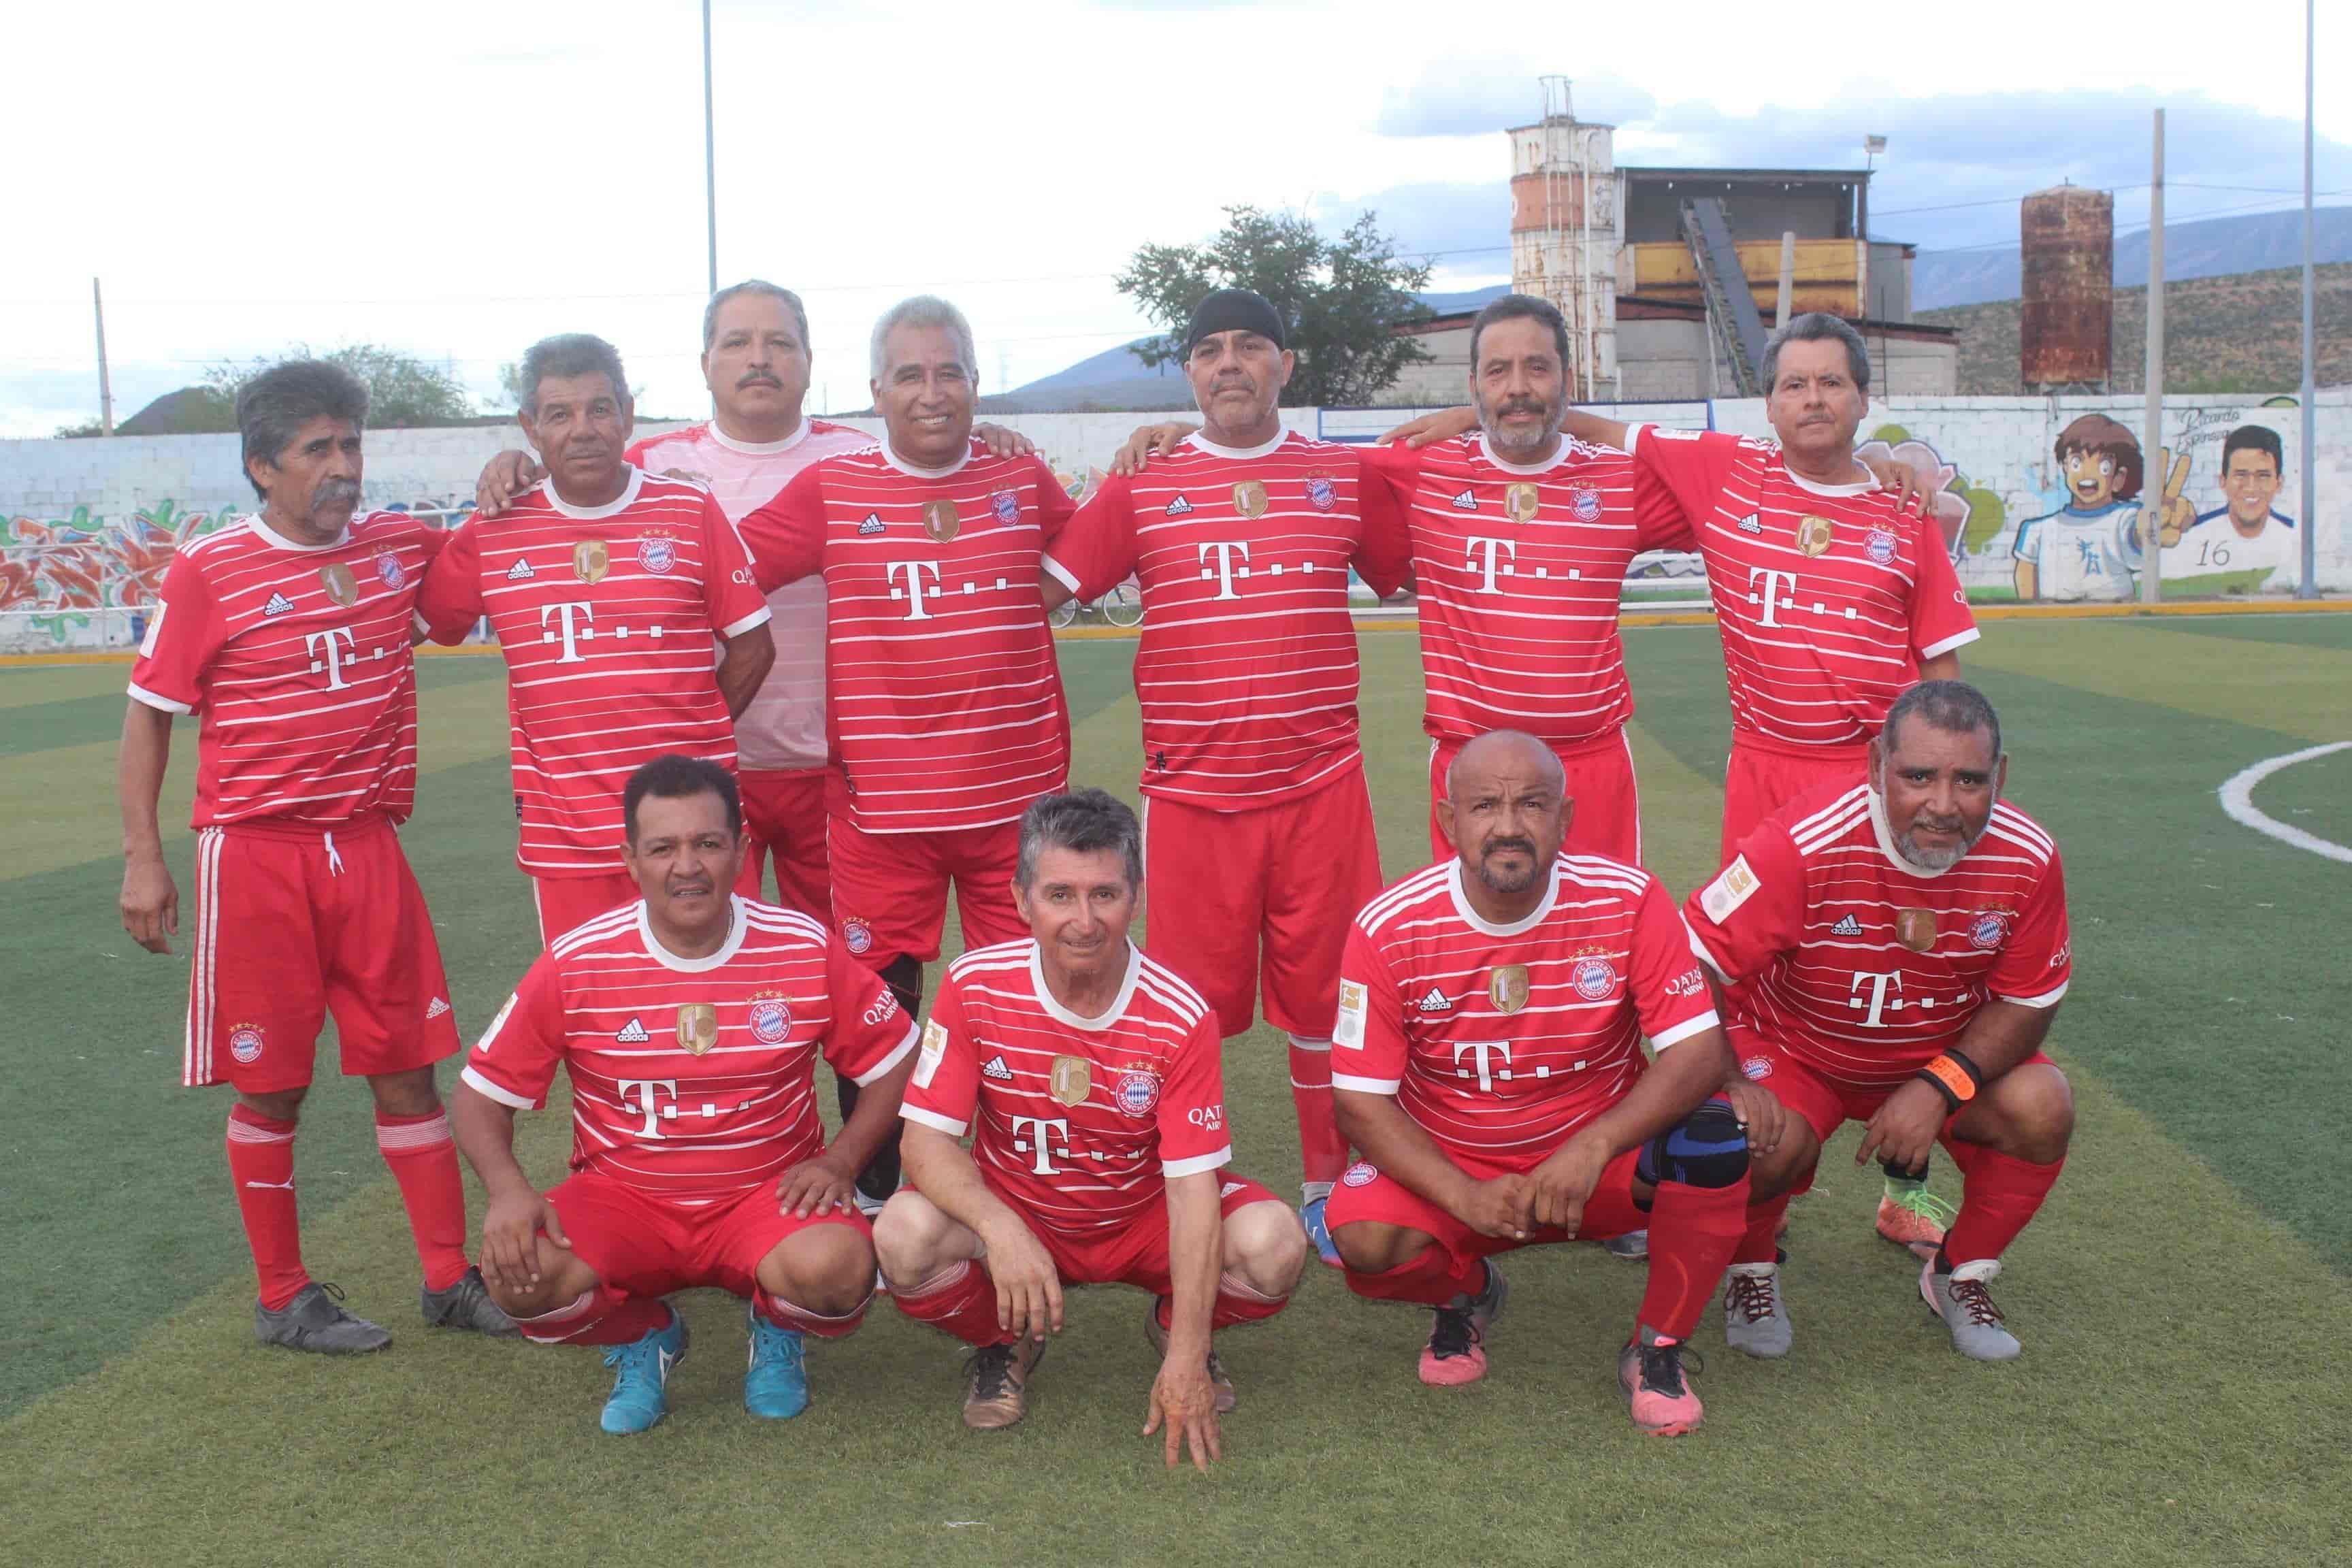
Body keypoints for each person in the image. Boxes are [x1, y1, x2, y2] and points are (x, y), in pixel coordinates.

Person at [1384, 311, 1977, 1257]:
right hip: (1762, 769)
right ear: (1769, 401)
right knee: (1740, 973)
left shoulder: (1902, 510)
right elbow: (1581, 423)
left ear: (1864, 398)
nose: (1813, 399)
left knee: (1900, 967)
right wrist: (1478, 412)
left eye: (1831, 383)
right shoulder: (1729, 474)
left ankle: (1910, 1185)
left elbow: (1948, 674)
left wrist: (1899, 465)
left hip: (1876, 784)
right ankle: (1723, 1207)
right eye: (1794, 384)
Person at [118, 359, 512, 1352]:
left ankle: (445, 1279)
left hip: (369, 848)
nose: (343, 468)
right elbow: (151, 714)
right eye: (317, 451)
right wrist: (144, 858)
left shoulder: (394, 546)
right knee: (273, 1082)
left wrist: (507, 471)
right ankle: (283, 1296)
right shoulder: (210, 571)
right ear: (262, 467)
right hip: (257, 855)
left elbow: (469, 578)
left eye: (351, 446)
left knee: (410, 1067)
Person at [1043, 288, 1409, 1262]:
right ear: (1191, 372)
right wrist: (999, 462)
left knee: (1334, 1006)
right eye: (1209, 350)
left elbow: (1418, 554)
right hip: (1194, 798)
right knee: (1183, 1015)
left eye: (1252, 346)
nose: (1230, 363)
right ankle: (1189, 1184)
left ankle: (1333, 1188)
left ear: (1285, 366)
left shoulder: (1340, 475)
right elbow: (1041, 580)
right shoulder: (1143, 483)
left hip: (1322, 787)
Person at [450, 755, 917, 1433]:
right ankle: (645, 1334)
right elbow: (477, 1096)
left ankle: (776, 1327)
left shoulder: (800, 945)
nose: (687, 866)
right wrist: (507, 1190)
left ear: (740, 849)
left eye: (707, 843)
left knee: (841, 1269)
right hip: (624, 1195)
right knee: (516, 1276)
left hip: (766, 1192)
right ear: (630, 861)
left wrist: (843, 1161)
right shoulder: (579, 960)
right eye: (662, 847)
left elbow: (897, 1056)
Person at [1327, 730, 1750, 1436]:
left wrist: (1593, 1147)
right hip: (1460, 1167)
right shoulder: (1388, 927)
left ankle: (1659, 1347)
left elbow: (1700, 1051)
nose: (1509, 826)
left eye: (1532, 804)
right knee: (1360, 1236)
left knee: (1714, 1141)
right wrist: (1462, 1194)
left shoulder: (1630, 899)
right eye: (1485, 805)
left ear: (1566, 817)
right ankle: (1467, 1294)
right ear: (1448, 819)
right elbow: (1358, 1102)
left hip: (1598, 1167)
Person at [876, 790, 1305, 1467]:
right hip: (1025, 1211)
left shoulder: (1179, 1012)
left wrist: (1189, 1357)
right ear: (1022, 900)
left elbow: (1194, 1188)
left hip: (1142, 1221)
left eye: (1104, 894)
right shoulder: (973, 986)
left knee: (1275, 1243)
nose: (1084, 921)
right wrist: (1002, 1229)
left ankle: (1174, 1329)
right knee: (901, 1235)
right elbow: (924, 1143)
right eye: (1060, 895)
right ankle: (1006, 1339)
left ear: (1134, 896)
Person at [1683, 681, 2074, 1362]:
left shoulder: (2028, 854)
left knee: (2043, 1106)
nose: (1943, 805)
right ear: (1874, 767)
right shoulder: (1800, 844)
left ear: (2000, 777)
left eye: (1969, 780)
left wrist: (1937, 1086)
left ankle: (1960, 1273)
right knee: (1750, 1134)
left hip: (1938, 1058)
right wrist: (1729, 1078)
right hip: (1797, 1052)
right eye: (1918, 776)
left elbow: (2030, 1000)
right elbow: (1694, 960)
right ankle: (1751, 1269)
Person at [735, 296, 1077, 1032]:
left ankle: (1020, 1151)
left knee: (1027, 1011)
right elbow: (720, 567)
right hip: (881, 817)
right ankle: (881, 1156)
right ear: (876, 392)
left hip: (1015, 809)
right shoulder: (833, 490)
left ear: (977, 385)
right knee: (879, 1019)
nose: (932, 392)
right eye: (910, 375)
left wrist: (1168, 439)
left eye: (949, 373)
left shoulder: (1020, 477)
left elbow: (1097, 550)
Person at [418, 333, 774, 947]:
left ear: (627, 415)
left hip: (694, 828)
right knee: (592, 1016)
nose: (582, 429)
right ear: (531, 428)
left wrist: (696, 734)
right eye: (559, 414)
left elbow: (753, 646)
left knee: (722, 1002)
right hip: (569, 840)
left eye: (599, 409)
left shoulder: (688, 511)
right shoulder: (497, 526)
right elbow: (431, 622)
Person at [2011, 414, 2193, 602]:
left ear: (2118, 478)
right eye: (2076, 462)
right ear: (2065, 466)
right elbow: (2026, 581)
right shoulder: (2038, 530)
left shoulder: (2126, 518)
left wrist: (2157, 524)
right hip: (2056, 621)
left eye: (2104, 466)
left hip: (2117, 618)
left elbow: (2137, 532)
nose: (2087, 473)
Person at [2170, 424, 2299, 589]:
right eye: (2241, 475)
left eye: (2263, 476)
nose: (2251, 487)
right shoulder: (2192, 536)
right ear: (2223, 482)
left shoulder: (2295, 537)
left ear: (2279, 483)